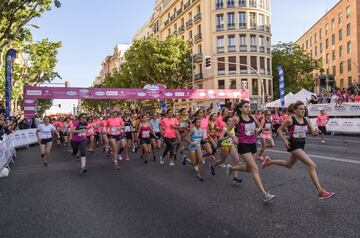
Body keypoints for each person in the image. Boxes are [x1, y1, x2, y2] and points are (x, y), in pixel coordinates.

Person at [262, 101, 335, 200]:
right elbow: (279, 129)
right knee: (312, 165)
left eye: (303, 108)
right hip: (293, 144)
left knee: (288, 165)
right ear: (295, 110)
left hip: (301, 144)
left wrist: (316, 132)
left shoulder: (306, 120)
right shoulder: (290, 120)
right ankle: (321, 191)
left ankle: (269, 161)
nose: (303, 110)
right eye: (300, 109)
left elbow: (312, 133)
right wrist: (284, 140)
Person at [226, 100, 276, 202]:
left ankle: (232, 169)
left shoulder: (252, 117)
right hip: (243, 145)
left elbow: (259, 127)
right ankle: (264, 194)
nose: (248, 108)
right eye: (245, 107)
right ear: (240, 108)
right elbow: (227, 130)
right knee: (255, 169)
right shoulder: (236, 118)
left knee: (249, 168)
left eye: (248, 106)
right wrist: (234, 136)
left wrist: (258, 130)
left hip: (253, 144)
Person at [209, 116, 242, 184]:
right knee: (222, 160)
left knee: (237, 160)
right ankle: (213, 166)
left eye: (232, 121)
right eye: (229, 121)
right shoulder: (225, 129)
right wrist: (227, 137)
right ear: (226, 122)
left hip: (232, 146)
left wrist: (235, 137)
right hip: (225, 146)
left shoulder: (233, 128)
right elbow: (219, 139)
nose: (231, 122)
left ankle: (235, 177)